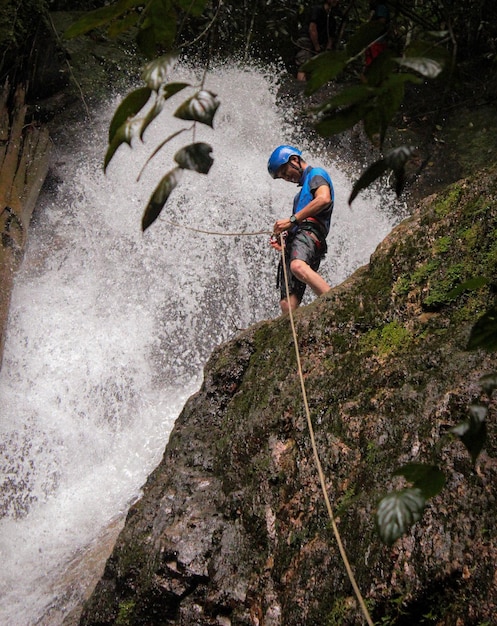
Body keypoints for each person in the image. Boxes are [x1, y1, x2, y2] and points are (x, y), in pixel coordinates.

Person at [267, 145, 334, 314]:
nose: (286, 178)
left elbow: (324, 199)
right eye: (282, 176)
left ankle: (337, 302)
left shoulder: (316, 174)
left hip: (310, 233)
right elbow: (296, 223)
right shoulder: (298, 197)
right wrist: (285, 237)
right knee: (287, 304)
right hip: (298, 237)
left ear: (294, 160)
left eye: (285, 172)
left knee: (298, 266)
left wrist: (291, 220)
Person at [296, 0, 342, 81]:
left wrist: (327, 49)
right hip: (307, 40)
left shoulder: (332, 19)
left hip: (319, 45)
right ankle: (300, 88)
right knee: (304, 66)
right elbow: (312, 29)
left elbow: (331, 37)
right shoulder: (317, 10)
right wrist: (317, 47)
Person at [364, 0, 390, 68]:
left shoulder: (381, 8)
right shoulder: (375, 9)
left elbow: (381, 23)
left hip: (377, 42)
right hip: (373, 42)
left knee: (375, 66)